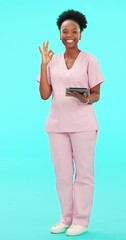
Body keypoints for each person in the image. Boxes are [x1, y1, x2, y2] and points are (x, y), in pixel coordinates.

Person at [36, 9, 104, 236]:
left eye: (74, 30)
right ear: (59, 34)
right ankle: (66, 217)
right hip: (56, 126)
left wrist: (85, 96)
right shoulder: (52, 62)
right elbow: (45, 95)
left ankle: (81, 220)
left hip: (83, 125)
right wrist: (43, 64)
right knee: (63, 175)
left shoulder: (90, 60)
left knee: (83, 174)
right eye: (65, 31)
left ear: (81, 34)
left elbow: (96, 94)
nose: (69, 34)